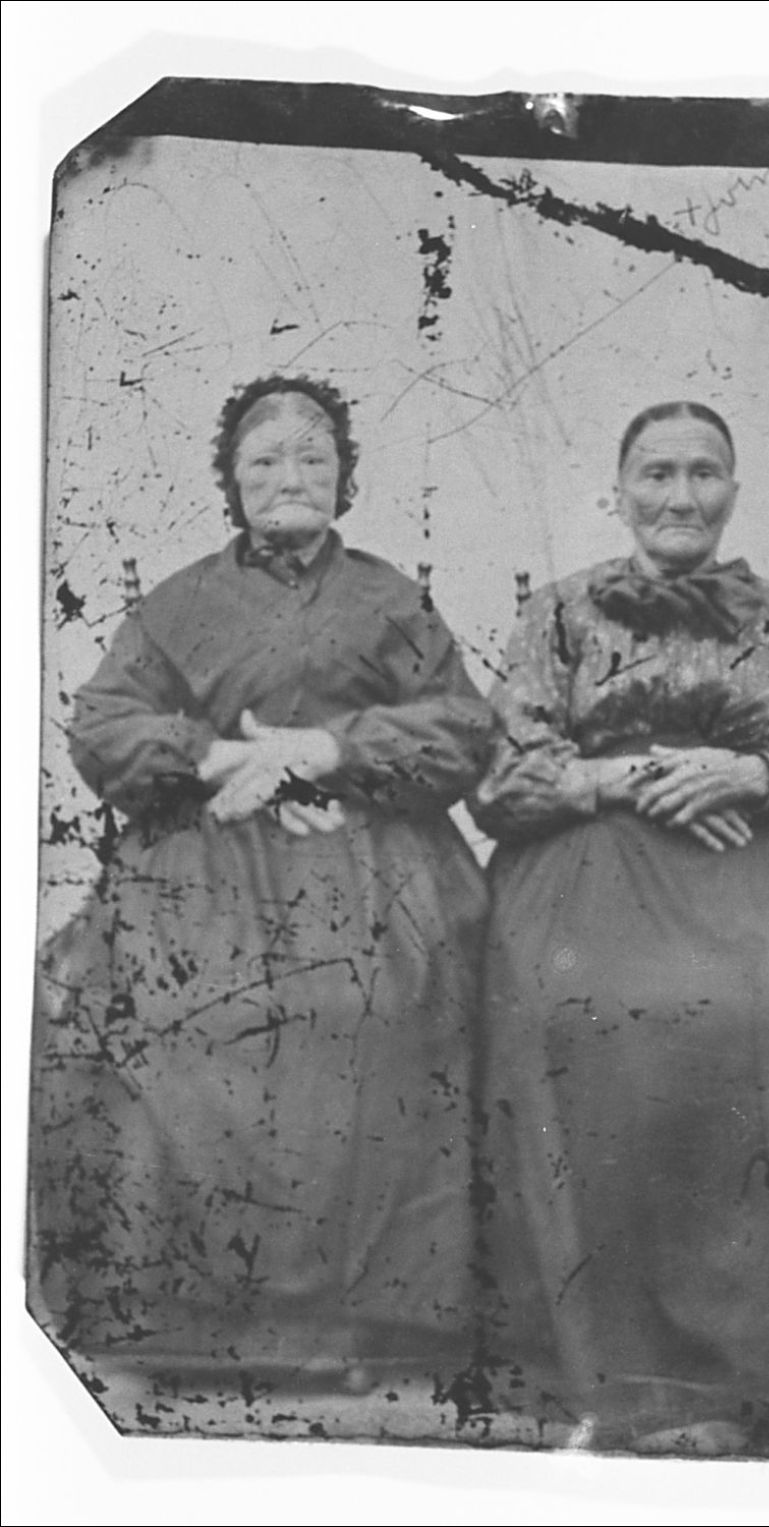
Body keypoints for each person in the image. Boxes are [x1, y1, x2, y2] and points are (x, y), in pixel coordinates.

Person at [469, 401, 769, 1452]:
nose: (680, 496)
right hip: (584, 880)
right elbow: (498, 776)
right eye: (658, 473)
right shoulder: (560, 614)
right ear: (619, 491)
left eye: (703, 473)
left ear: (733, 490)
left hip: (744, 881)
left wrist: (749, 771)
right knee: (591, 1020)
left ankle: (762, 1363)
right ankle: (615, 1364)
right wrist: (625, 775)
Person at [30, 375, 496, 1395]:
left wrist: (324, 749)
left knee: (377, 1007)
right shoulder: (178, 603)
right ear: (231, 482)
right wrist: (212, 757)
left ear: (344, 478)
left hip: (372, 858)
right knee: (151, 1010)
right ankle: (188, 1322)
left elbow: (463, 729)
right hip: (204, 861)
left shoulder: (392, 600)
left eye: (313, 458)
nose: (291, 476)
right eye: (266, 460)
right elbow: (101, 724)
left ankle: (366, 1323)